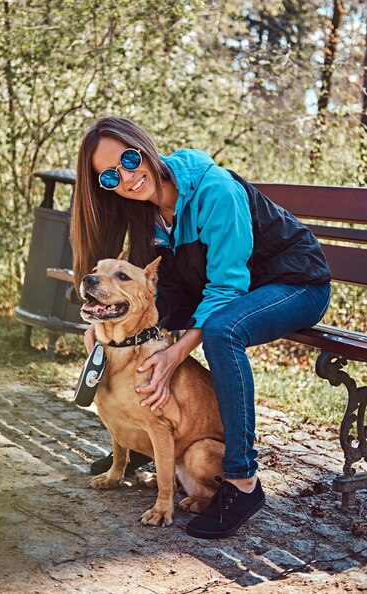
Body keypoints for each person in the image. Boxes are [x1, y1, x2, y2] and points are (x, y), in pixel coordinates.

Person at [70, 115, 331, 539]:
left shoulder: (215, 191)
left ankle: (242, 480)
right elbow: (162, 293)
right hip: (237, 292)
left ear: (146, 147)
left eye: (130, 159)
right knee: (179, 328)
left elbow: (227, 288)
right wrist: (107, 323)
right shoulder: (148, 212)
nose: (128, 178)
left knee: (222, 331)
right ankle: (143, 441)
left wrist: (175, 354)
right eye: (111, 176)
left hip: (295, 283)